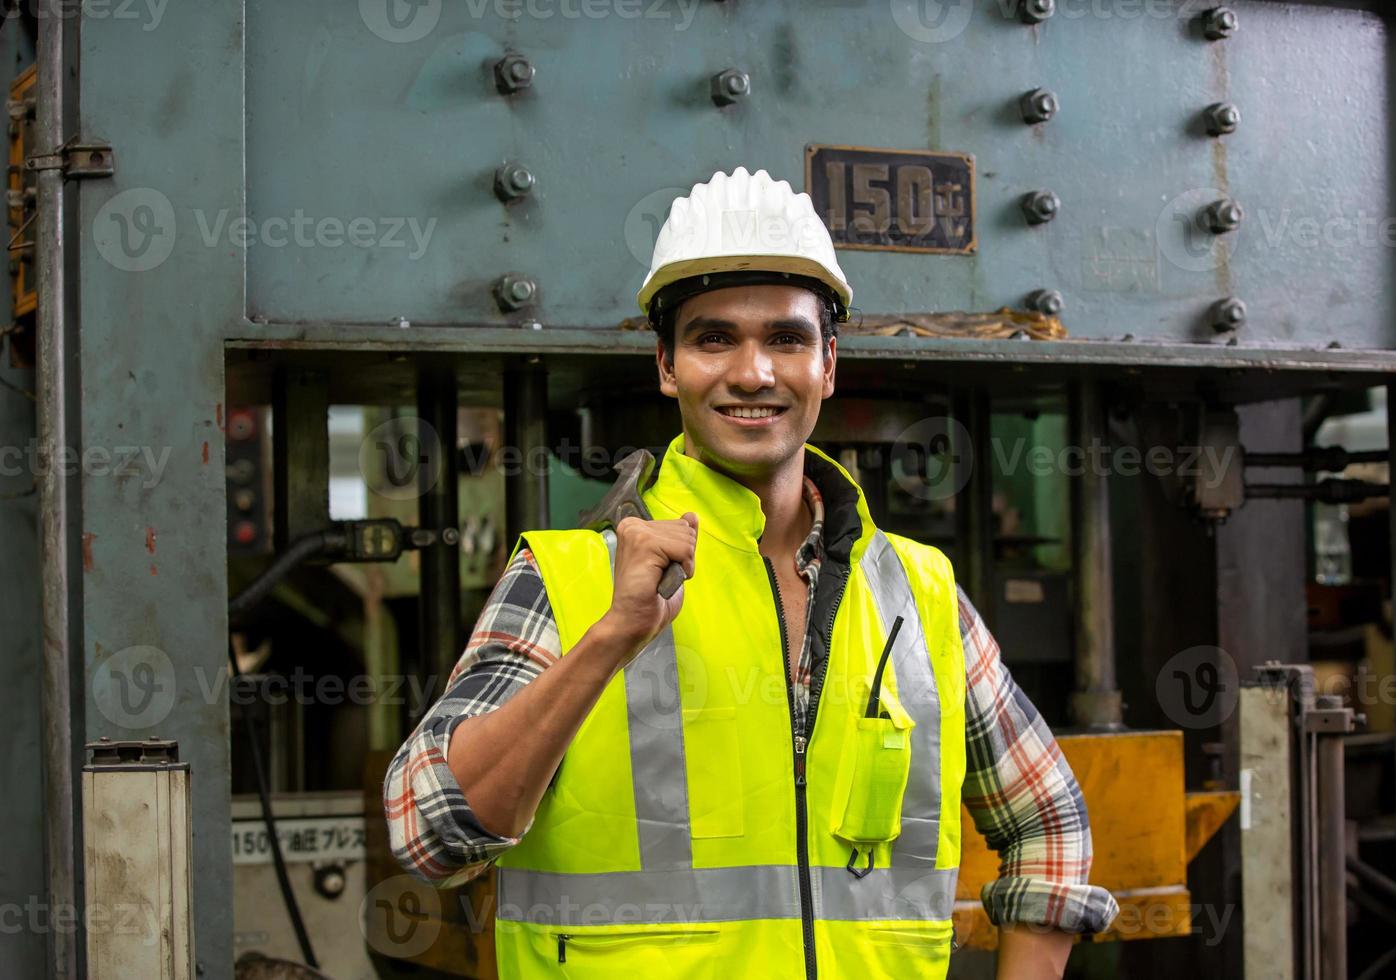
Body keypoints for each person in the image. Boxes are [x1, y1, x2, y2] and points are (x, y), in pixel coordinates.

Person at [384, 167, 1118, 978]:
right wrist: (608, 641)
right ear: (666, 366)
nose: (753, 372)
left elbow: (1049, 821)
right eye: (713, 338)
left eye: (786, 338)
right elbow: (431, 831)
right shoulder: (569, 580)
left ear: (828, 364)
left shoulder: (919, 594)